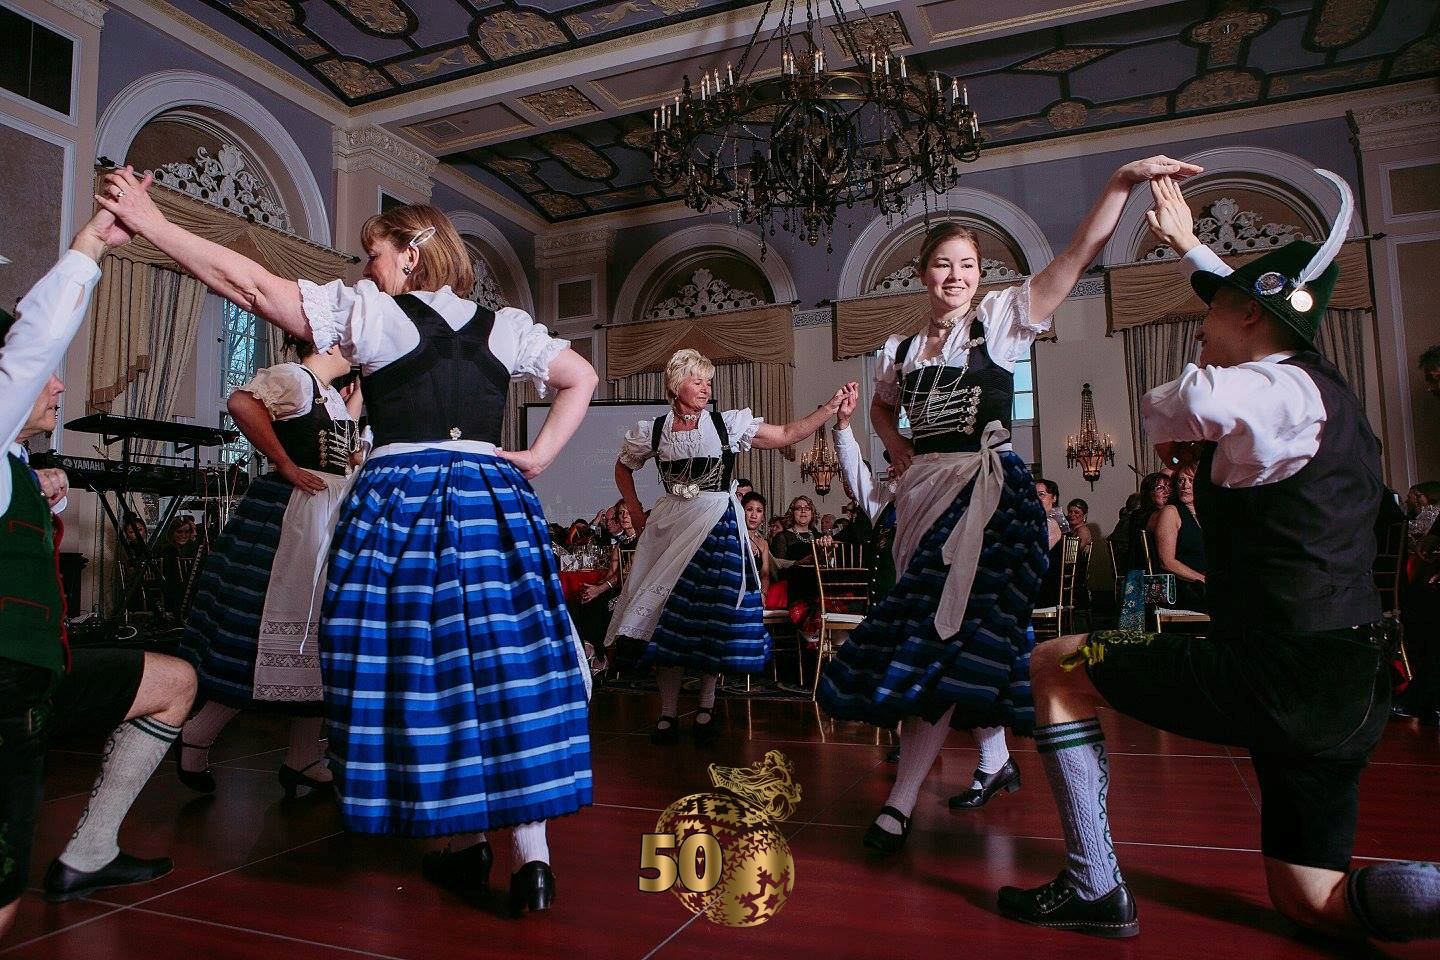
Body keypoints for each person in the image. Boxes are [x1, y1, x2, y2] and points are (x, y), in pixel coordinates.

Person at [98, 170, 595, 917]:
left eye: (375, 255)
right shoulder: (509, 326)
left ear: (412, 257)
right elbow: (580, 376)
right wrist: (543, 455)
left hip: (405, 497)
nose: (366, 269)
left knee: (418, 675)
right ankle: (530, 858)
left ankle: (460, 839)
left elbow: (254, 287)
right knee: (502, 667)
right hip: (493, 499)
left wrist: (152, 221)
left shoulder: (378, 315)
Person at [997, 172, 1440, 942]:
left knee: (1056, 666)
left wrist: (1173, 419)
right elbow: (1239, 315)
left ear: (1247, 313)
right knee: (1312, 901)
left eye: (1214, 308)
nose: (1201, 323)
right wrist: (1188, 246)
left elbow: (1185, 403)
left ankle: (1094, 885)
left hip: (1280, 673)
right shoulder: (1324, 391)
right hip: (1345, 682)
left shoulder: (1271, 389)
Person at [817, 155, 1204, 854]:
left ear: (979, 273)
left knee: (940, 633)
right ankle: (994, 762)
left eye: (967, 263)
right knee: (967, 639)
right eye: (942, 264)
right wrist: (895, 446)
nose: (956, 275)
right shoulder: (898, 350)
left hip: (990, 501)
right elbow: (882, 412)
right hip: (924, 498)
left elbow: (1079, 253)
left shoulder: (999, 318)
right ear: (922, 274)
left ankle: (899, 805)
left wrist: (1119, 182)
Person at [0, 209, 199, 936]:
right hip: (5, 684)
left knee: (174, 682)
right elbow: (35, 337)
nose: (56, 388)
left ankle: (88, 851)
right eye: (39, 378)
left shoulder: (19, 461)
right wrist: (89, 245)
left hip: (37, 671)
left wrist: (41, 467)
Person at [606, 347, 855, 743]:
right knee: (665, 617)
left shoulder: (726, 425)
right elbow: (623, 466)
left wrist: (829, 408)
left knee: (711, 618)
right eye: (697, 380)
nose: (705, 388)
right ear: (676, 385)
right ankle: (668, 712)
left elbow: (787, 434)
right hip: (670, 525)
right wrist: (635, 510)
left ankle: (705, 706)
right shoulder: (653, 430)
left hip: (717, 525)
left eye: (708, 381)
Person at [176, 337, 364, 798]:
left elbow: (339, 447)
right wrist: (283, 463)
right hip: (292, 520)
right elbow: (241, 403)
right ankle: (196, 737)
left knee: (319, 641)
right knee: (256, 638)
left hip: (327, 520)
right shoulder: (296, 379)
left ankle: (302, 758)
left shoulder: (329, 394)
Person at [1151, 467, 1206, 610]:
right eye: (1181, 480)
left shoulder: (1208, 513)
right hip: (1182, 587)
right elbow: (1166, 562)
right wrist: (1203, 580)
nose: (1185, 485)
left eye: (1191, 480)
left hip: (1207, 584)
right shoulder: (1170, 512)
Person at [741, 491, 775, 595]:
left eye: (759, 511)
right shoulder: (735, 537)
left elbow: (765, 575)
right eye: (749, 510)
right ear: (742, 512)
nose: (754, 515)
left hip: (755, 591)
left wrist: (763, 594)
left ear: (763, 518)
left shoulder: (763, 543)